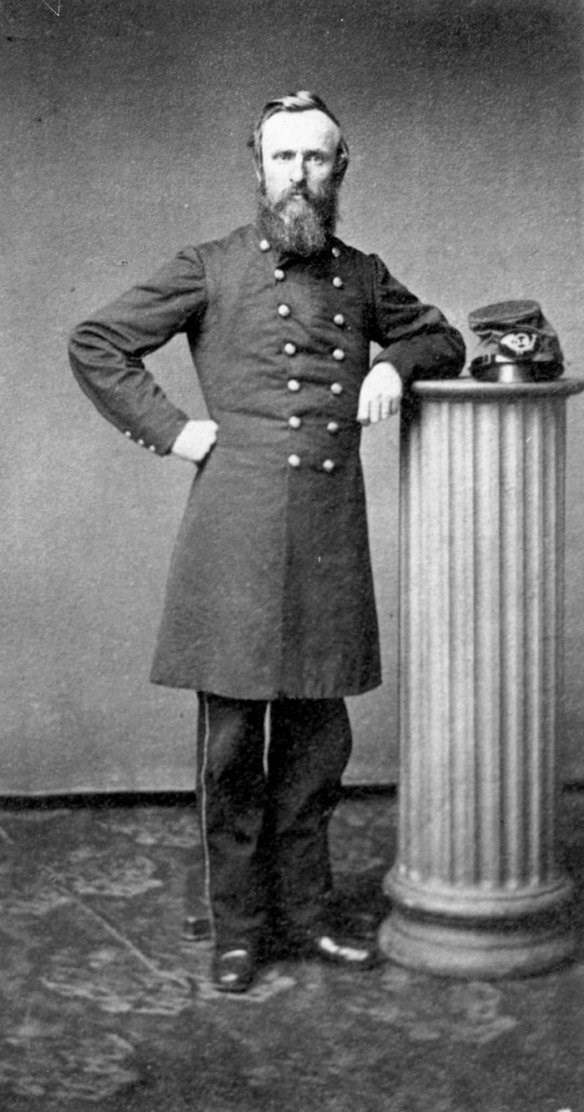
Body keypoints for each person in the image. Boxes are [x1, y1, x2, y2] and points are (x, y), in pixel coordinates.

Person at [69, 90, 465, 993]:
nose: (299, 175)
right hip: (234, 542)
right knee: (233, 749)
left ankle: (308, 913)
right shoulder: (208, 267)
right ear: (258, 168)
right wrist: (172, 431)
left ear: (340, 168)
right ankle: (239, 928)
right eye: (283, 158)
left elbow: (440, 335)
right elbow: (98, 342)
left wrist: (393, 364)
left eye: (316, 159)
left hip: (328, 541)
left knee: (318, 750)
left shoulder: (363, 274)